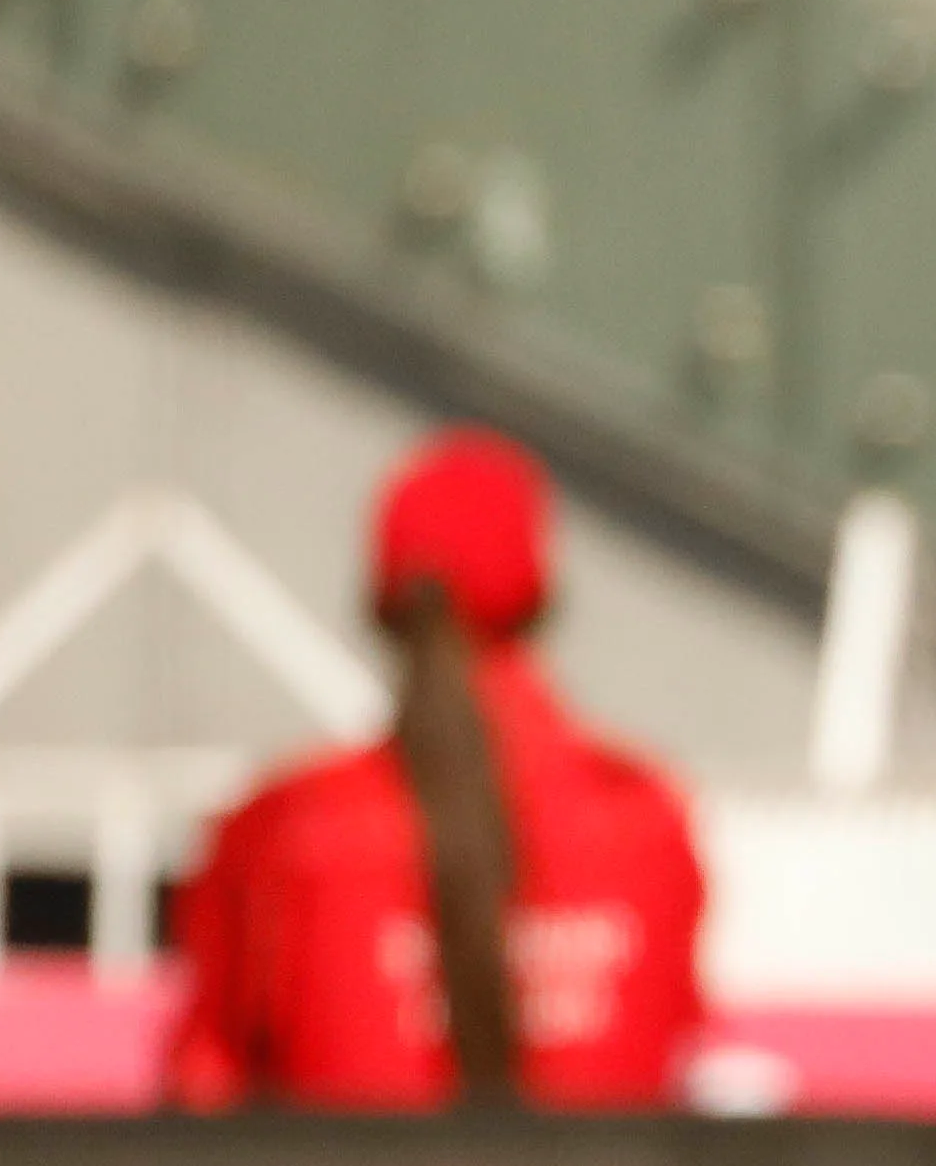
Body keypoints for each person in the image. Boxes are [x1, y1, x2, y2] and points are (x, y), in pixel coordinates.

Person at [166, 432, 709, 1114]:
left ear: (379, 603)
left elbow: (198, 1097)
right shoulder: (648, 819)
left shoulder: (284, 827)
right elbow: (678, 1074)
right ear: (545, 594)